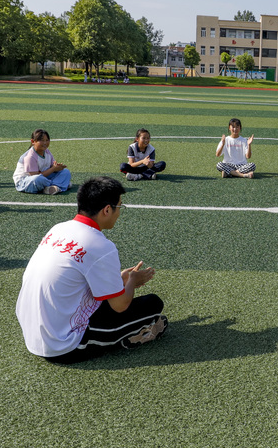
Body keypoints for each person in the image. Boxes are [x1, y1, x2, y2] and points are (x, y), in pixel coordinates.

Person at [15, 176, 166, 362]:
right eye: (119, 207)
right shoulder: (102, 246)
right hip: (63, 345)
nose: (119, 213)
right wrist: (133, 281)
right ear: (107, 209)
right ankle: (131, 335)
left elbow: (73, 277)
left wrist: (118, 279)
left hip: (32, 332)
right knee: (153, 304)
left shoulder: (58, 229)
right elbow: (119, 306)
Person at [14, 129, 72, 195]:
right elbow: (35, 176)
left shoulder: (46, 151)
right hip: (25, 182)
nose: (45, 143)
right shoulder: (30, 156)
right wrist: (53, 169)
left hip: (44, 177)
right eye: (41, 140)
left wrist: (57, 167)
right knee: (37, 179)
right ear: (33, 141)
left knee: (66, 172)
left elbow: (51, 166)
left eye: (47, 140)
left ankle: (53, 187)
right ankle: (60, 184)